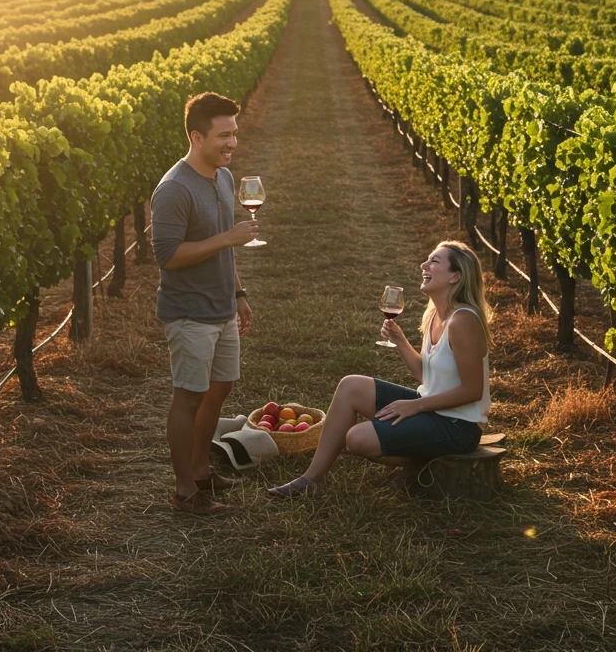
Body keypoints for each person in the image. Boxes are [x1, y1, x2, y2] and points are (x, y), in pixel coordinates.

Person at [268, 240, 491, 498]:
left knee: (357, 440)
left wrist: (414, 406)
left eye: (434, 261)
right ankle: (312, 479)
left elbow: (473, 390)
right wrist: (401, 341)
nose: (424, 265)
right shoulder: (435, 314)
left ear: (456, 276)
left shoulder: (463, 320)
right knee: (350, 385)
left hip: (458, 427)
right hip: (433, 408)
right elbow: (426, 376)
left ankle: (421, 462)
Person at [152, 92, 258, 516]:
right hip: (189, 311)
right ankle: (184, 492)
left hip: (221, 305)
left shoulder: (224, 177)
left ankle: (200, 470)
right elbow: (169, 256)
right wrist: (229, 237)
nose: (232, 143)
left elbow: (220, 249)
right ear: (196, 136)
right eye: (223, 135)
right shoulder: (174, 189)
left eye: (235, 133)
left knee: (221, 387)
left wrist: (239, 293)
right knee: (189, 397)